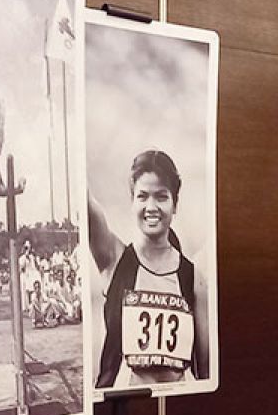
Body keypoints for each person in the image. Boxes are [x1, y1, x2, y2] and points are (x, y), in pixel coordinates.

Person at [89, 149, 209, 388]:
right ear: (132, 201)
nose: (151, 207)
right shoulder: (115, 258)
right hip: (126, 406)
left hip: (176, 407)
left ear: (175, 204)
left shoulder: (193, 278)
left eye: (161, 196)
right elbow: (85, 204)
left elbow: (206, 371)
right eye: (142, 196)